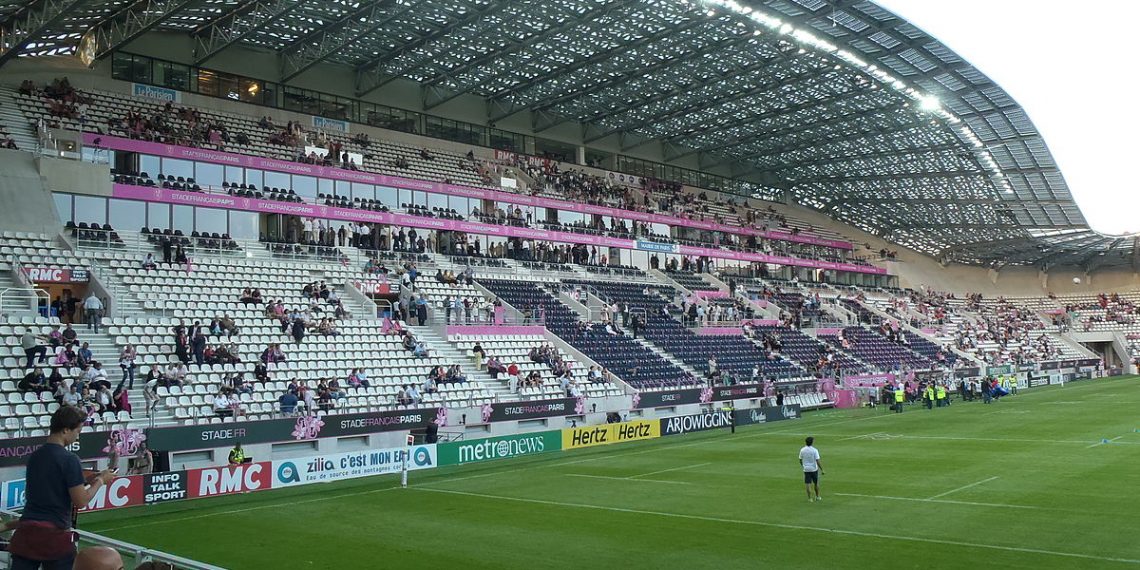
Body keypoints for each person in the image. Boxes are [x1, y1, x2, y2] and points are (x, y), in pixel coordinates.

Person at [7, 407, 116, 569]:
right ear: (66, 430)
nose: (78, 436)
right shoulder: (69, 459)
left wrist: (88, 478)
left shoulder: (35, 457)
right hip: (54, 539)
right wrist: (101, 480)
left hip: (26, 536)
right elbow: (81, 501)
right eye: (78, 431)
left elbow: (50, 484)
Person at [799, 436, 824, 502]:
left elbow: (800, 459)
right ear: (812, 442)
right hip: (814, 469)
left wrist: (803, 466)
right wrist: (822, 469)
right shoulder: (814, 450)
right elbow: (817, 460)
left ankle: (810, 498)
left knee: (808, 484)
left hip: (806, 469)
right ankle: (817, 496)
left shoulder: (802, 450)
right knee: (816, 483)